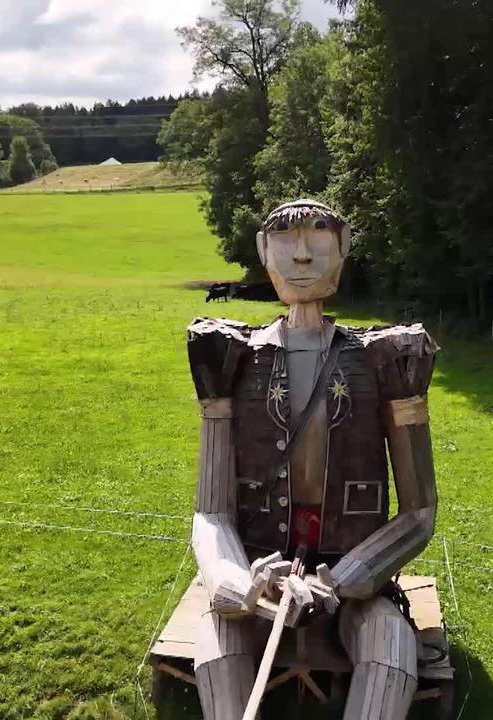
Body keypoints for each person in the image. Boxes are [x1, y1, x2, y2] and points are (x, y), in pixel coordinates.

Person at [187, 200, 439, 720]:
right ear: (262, 250)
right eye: (284, 237)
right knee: (217, 648)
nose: (301, 255)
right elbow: (211, 512)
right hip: (259, 570)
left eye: (319, 236)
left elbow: (419, 512)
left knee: (390, 655)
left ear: (344, 246)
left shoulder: (390, 361)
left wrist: (341, 581)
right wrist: (237, 585)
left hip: (356, 581)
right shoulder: (227, 359)